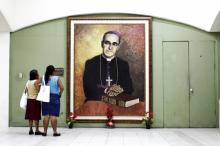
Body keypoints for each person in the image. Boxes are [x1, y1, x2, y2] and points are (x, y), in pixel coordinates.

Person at [83, 31, 133, 101]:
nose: (110, 47)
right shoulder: (91, 63)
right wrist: (109, 90)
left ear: (118, 47)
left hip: (117, 104)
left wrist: (104, 90)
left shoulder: (123, 65)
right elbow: (88, 90)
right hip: (96, 104)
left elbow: (129, 89)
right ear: (102, 44)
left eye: (114, 44)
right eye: (107, 43)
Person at [41, 65, 64, 136]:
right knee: (53, 115)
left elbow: (36, 84)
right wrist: (60, 94)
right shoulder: (57, 78)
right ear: (53, 71)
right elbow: (62, 87)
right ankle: (55, 132)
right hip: (54, 97)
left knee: (46, 115)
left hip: (45, 97)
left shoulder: (44, 78)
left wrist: (40, 91)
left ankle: (45, 132)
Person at [25, 69, 43, 135]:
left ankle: (30, 130)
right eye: (37, 73)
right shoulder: (36, 81)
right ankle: (37, 130)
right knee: (36, 116)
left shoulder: (28, 82)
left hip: (29, 100)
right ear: (35, 75)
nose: (38, 74)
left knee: (30, 116)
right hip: (35, 100)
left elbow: (26, 91)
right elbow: (39, 91)